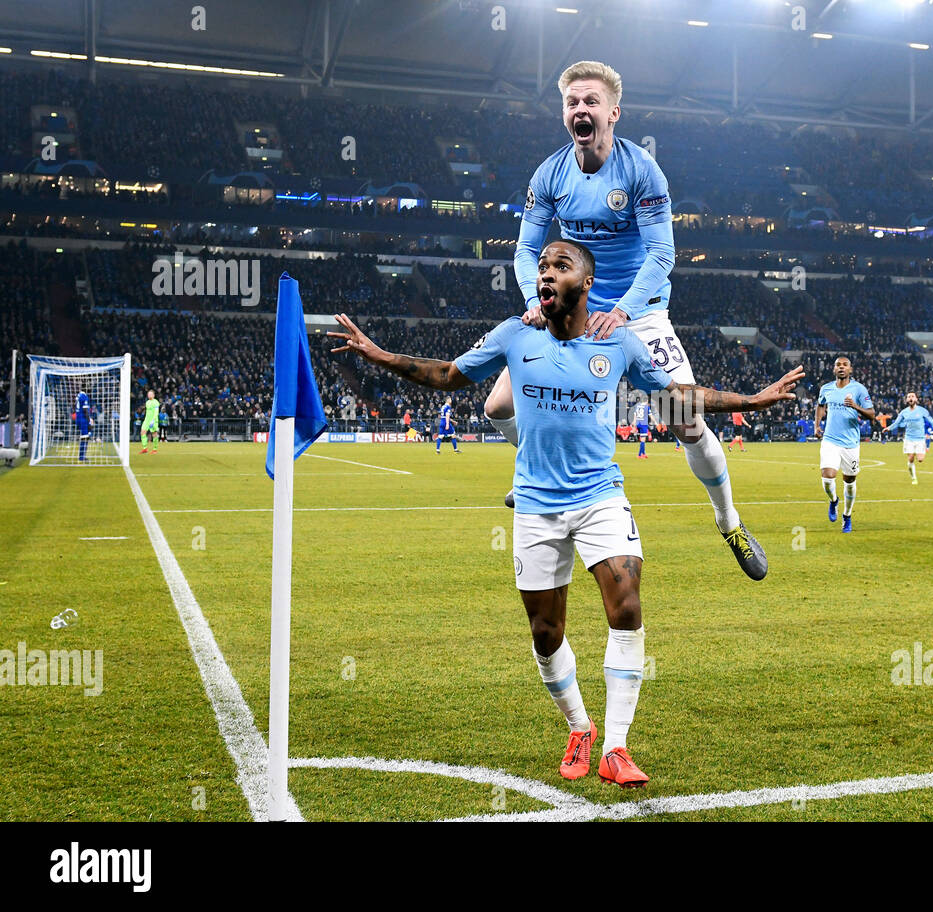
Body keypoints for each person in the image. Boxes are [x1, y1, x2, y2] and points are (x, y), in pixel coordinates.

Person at [328, 239, 802, 787]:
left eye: (561, 265)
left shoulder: (620, 344)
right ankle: (580, 727)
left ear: (586, 283)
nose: (546, 272)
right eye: (544, 265)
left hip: (600, 497)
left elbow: (679, 395)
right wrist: (379, 354)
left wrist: (754, 400)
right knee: (545, 631)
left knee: (626, 606)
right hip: (535, 504)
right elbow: (448, 374)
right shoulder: (515, 334)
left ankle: (618, 748)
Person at [487, 60, 768, 581]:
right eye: (572, 102)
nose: (581, 109)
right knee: (498, 403)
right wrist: (534, 296)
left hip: (637, 313)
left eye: (591, 101)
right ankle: (539, 472)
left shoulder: (641, 171)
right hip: (573, 310)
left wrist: (622, 312)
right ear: (563, 113)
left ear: (613, 112)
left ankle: (729, 520)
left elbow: (662, 254)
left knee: (685, 420)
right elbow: (527, 248)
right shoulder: (549, 174)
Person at [814, 356, 874, 533]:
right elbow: (820, 405)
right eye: (838, 365)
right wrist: (817, 425)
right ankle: (833, 501)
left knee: (849, 481)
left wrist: (855, 406)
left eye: (845, 365)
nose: (841, 367)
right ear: (834, 369)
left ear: (850, 369)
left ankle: (847, 516)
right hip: (830, 440)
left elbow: (871, 414)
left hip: (850, 443)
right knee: (827, 477)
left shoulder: (858, 389)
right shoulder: (826, 388)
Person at [886, 392, 933, 485]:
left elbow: (932, 422)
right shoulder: (904, 412)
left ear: (916, 399)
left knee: (920, 459)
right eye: (909, 397)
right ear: (907, 400)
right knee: (911, 457)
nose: (910, 398)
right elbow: (896, 423)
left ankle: (916, 453)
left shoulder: (922, 411)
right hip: (909, 439)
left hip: (920, 439)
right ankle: (914, 478)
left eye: (912, 396)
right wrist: (889, 428)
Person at [74, 389, 94, 463]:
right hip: (83, 419)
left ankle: (82, 456)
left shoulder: (79, 395)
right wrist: (89, 420)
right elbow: (85, 409)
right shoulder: (84, 396)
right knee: (85, 437)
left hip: (79, 418)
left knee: (87, 435)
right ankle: (82, 457)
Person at [140, 390, 161, 454]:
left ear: (153, 395)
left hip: (153, 420)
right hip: (147, 420)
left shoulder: (156, 402)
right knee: (142, 432)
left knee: (154, 434)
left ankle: (155, 450)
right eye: (148, 394)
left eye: (150, 394)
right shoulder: (147, 402)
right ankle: (144, 448)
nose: (149, 395)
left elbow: (156, 412)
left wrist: (153, 420)